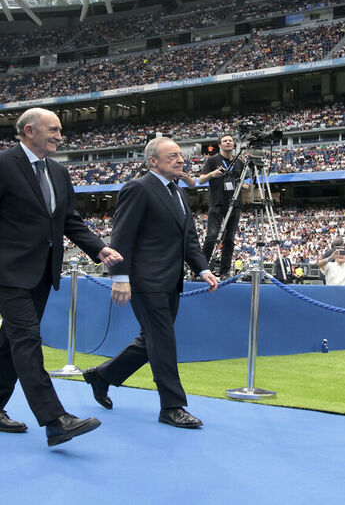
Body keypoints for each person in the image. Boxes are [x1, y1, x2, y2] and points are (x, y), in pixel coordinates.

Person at [0, 108, 123, 447]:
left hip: (42, 273)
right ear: (29, 130)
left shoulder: (57, 171)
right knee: (27, 341)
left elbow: (69, 220)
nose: (59, 136)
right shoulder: (4, 164)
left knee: (9, 343)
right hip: (8, 273)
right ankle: (55, 420)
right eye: (53, 129)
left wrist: (99, 249)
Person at [83, 138, 220, 428]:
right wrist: (120, 277)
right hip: (144, 282)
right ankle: (172, 406)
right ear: (153, 161)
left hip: (171, 281)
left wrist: (203, 269)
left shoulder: (179, 193)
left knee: (152, 340)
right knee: (163, 339)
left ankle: (102, 376)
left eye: (181, 156)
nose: (180, 160)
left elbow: (189, 240)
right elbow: (122, 236)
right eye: (172, 156)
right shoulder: (138, 188)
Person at [199, 134, 247, 277]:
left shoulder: (240, 162)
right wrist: (212, 174)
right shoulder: (212, 160)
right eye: (225, 141)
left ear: (233, 144)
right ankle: (202, 269)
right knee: (212, 236)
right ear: (219, 145)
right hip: (217, 204)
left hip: (235, 204)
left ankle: (224, 272)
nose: (228, 142)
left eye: (230, 140)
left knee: (229, 239)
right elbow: (201, 180)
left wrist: (247, 187)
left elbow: (243, 182)